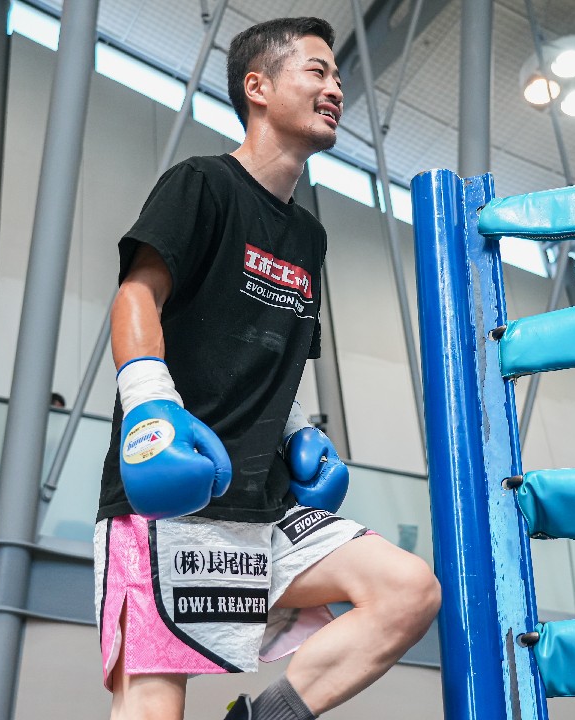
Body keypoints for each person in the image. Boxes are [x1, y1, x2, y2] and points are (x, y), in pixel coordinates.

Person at [94, 17, 441, 720]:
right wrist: (152, 408)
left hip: (268, 506)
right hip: (171, 493)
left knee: (408, 590)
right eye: (317, 71)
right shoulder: (201, 183)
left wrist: (295, 431)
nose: (336, 88)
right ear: (257, 87)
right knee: (153, 706)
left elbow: (276, 353)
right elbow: (136, 296)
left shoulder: (307, 235)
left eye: (338, 76)